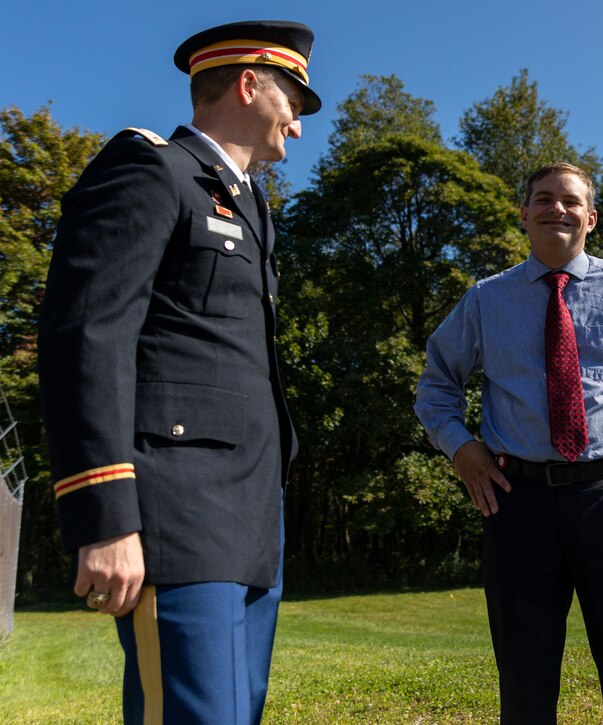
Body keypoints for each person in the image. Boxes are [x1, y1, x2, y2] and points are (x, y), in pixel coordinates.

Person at [37, 20, 321, 723]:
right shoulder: (152, 170)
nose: (300, 126)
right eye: (294, 100)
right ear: (251, 85)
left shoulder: (251, 207)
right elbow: (87, 336)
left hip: (250, 515)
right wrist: (104, 516)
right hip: (180, 508)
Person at [415, 162, 603, 724]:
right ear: (524, 213)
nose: (556, 208)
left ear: (591, 217)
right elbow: (436, 384)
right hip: (518, 502)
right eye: (543, 199)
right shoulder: (486, 300)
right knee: (525, 679)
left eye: (570, 201)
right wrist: (461, 447)